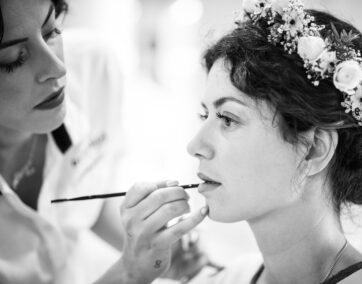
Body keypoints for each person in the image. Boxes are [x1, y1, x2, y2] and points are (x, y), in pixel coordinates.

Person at [181, 0, 362, 282]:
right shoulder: (231, 276)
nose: (195, 146)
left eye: (228, 118)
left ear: (314, 150)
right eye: (204, 114)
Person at [0, 0, 207, 283]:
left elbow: (85, 202)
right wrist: (128, 273)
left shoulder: (91, 68)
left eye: (51, 31)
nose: (58, 67)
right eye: (14, 58)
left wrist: (149, 239)